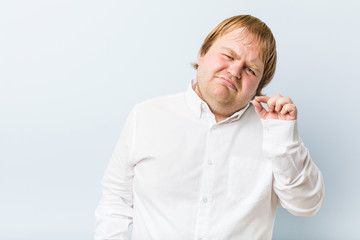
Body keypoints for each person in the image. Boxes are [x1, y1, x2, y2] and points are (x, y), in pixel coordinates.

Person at [95, 15, 324, 240]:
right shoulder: (145, 116)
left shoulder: (275, 135)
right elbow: (116, 203)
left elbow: (306, 205)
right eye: (228, 56)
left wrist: (284, 141)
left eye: (250, 70)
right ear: (203, 54)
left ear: (259, 86)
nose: (235, 71)